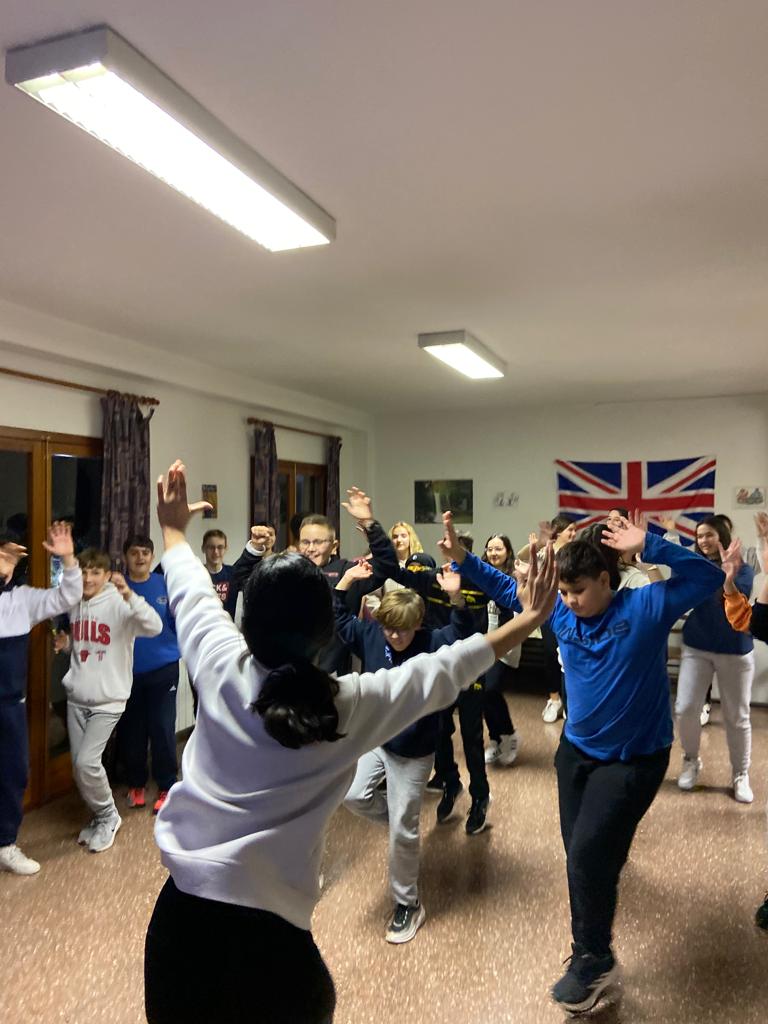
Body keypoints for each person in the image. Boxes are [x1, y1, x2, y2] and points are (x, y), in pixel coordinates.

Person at [144, 461, 559, 1024]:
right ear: (326, 634)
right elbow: (445, 670)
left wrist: (172, 529)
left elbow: (191, 590)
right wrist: (530, 617)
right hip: (274, 940)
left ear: (248, 623)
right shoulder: (346, 706)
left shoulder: (217, 662)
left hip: (180, 926)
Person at [440, 510, 723, 1014]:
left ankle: (594, 958)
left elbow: (709, 577)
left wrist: (650, 543)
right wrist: (463, 557)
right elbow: (506, 588)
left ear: (606, 581)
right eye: (564, 592)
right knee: (582, 854)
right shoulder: (560, 611)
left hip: (635, 758)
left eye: (579, 591)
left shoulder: (646, 606)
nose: (569, 601)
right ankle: (591, 943)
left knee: (588, 855)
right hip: (576, 752)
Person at [335, 560, 474, 943]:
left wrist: (457, 599)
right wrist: (345, 581)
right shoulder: (371, 634)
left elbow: (465, 634)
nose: (395, 636)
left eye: (403, 629)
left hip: (414, 752)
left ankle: (408, 904)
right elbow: (339, 619)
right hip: (377, 741)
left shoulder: (433, 643)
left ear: (418, 624)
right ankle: (402, 825)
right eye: (388, 628)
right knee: (353, 795)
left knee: (402, 830)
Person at [343, 488, 492, 834]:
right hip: (434, 666)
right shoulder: (431, 578)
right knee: (438, 731)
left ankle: (480, 798)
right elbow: (388, 567)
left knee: (472, 738)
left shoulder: (484, 582)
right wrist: (372, 526)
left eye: (459, 551)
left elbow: (483, 625)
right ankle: (450, 782)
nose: (451, 557)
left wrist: (459, 598)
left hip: (469, 667)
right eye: (447, 550)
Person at [63, 547, 162, 852]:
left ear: (107, 575)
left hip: (108, 700)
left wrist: (130, 595)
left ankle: (109, 816)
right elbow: (84, 644)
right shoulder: (75, 603)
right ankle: (99, 816)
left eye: (95, 572)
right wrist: (66, 643)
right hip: (77, 697)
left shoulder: (119, 603)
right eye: (83, 571)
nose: (88, 578)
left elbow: (154, 626)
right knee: (80, 767)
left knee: (87, 762)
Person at [0, 523, 82, 875]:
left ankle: (5, 843)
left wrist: (68, 558)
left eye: (9, 557)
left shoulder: (22, 599)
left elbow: (68, 597)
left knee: (14, 773)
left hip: (10, 706)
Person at [232, 512, 392, 675]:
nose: (311, 548)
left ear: (334, 546)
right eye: (305, 542)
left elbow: (386, 566)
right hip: (288, 670)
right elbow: (241, 578)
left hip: (333, 674)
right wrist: (255, 548)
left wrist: (372, 528)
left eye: (318, 542)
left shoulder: (348, 571)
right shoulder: (289, 571)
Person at [675, 517, 755, 802]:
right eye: (699, 536)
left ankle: (740, 773)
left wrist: (727, 575)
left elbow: (737, 601)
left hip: (735, 649)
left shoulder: (742, 569)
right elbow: (681, 594)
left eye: (708, 534)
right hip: (697, 646)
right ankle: (691, 759)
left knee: (737, 717)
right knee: (685, 708)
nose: (703, 540)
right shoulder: (694, 568)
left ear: (721, 535)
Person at [116, 535, 181, 815]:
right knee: (132, 730)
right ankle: (136, 784)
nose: (140, 557)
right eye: (134, 553)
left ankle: (167, 786)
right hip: (126, 671)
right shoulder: (115, 587)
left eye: (145, 552)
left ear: (152, 557)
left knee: (162, 728)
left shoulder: (165, 584)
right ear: (125, 557)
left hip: (163, 669)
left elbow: (178, 620)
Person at [481, 534, 521, 767]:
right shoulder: (480, 575)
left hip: (506, 642)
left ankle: (509, 735)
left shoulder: (514, 577)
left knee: (491, 689)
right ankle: (495, 740)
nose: (493, 553)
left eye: (498, 549)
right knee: (483, 694)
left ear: (507, 551)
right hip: (482, 643)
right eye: (490, 549)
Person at [541, 513, 578, 722]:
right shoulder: (546, 551)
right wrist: (543, 542)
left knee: (567, 654)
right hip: (549, 609)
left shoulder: (575, 553)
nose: (573, 534)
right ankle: (554, 699)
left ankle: (569, 700)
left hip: (570, 609)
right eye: (570, 530)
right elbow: (522, 554)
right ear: (558, 532)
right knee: (549, 652)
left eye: (575, 530)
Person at [201, 529, 239, 619]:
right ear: (203, 548)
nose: (216, 552)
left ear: (226, 549)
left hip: (227, 625)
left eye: (220, 547)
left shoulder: (234, 574)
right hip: (203, 626)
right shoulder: (196, 575)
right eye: (211, 547)